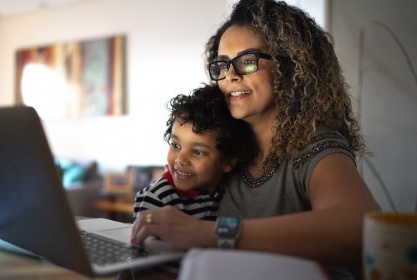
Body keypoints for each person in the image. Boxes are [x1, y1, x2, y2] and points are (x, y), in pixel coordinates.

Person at [131, 0, 379, 278]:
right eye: (222, 65)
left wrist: (211, 234)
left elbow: (361, 229)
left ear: (289, 67)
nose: (231, 76)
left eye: (248, 61)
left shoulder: (315, 146)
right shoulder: (228, 148)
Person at [133, 84, 257, 221]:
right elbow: (142, 240)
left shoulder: (231, 190)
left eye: (198, 152)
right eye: (175, 145)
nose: (180, 159)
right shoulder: (158, 197)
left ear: (228, 161)